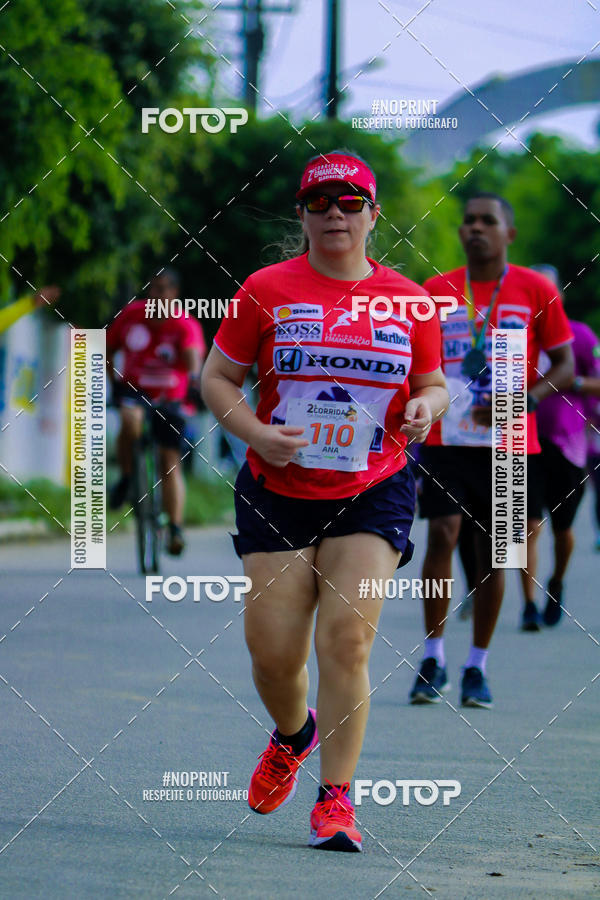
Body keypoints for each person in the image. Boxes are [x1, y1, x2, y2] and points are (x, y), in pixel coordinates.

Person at [201, 150, 449, 853]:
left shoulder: (409, 300)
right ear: (301, 215)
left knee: (347, 640)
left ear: (374, 214)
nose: (334, 214)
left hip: (374, 487)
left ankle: (336, 801)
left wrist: (426, 408)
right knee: (274, 656)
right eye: (319, 203)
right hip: (279, 489)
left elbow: (434, 383)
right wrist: (254, 431)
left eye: (349, 203)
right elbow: (218, 376)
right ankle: (292, 735)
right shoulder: (266, 290)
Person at [411, 193, 574, 708]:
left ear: (510, 234)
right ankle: (432, 657)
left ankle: (476, 666)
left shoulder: (535, 289)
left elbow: (564, 364)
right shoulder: (436, 291)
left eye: (488, 221)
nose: (475, 228)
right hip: (445, 437)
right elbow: (414, 360)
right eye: (468, 221)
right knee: (442, 531)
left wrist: (527, 398)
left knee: (494, 554)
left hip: (507, 437)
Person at [518, 265, 600, 628]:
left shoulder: (579, 335)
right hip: (523, 441)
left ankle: (556, 583)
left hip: (568, 445)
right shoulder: (516, 336)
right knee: (526, 526)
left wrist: (569, 380)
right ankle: (529, 604)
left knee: (562, 530)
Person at [106, 269, 206, 555]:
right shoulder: (131, 315)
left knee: (169, 461)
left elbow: (193, 363)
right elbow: (108, 346)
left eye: (163, 290)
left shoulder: (184, 324)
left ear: (174, 293)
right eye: (153, 289)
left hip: (170, 395)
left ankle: (175, 528)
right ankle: (127, 478)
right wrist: (113, 380)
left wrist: (192, 370)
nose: (157, 296)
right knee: (130, 420)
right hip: (134, 389)